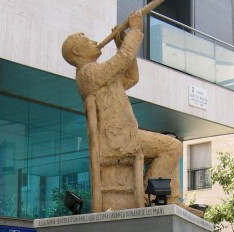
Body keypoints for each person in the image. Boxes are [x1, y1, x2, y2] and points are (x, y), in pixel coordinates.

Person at [62, 11, 186, 211]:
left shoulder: (102, 77)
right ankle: (148, 194)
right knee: (173, 147)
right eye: (88, 41)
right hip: (117, 139)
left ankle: (171, 199)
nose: (95, 42)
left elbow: (131, 77)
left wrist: (121, 44)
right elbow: (122, 59)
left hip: (125, 136)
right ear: (78, 51)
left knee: (170, 145)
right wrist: (135, 31)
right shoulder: (88, 74)